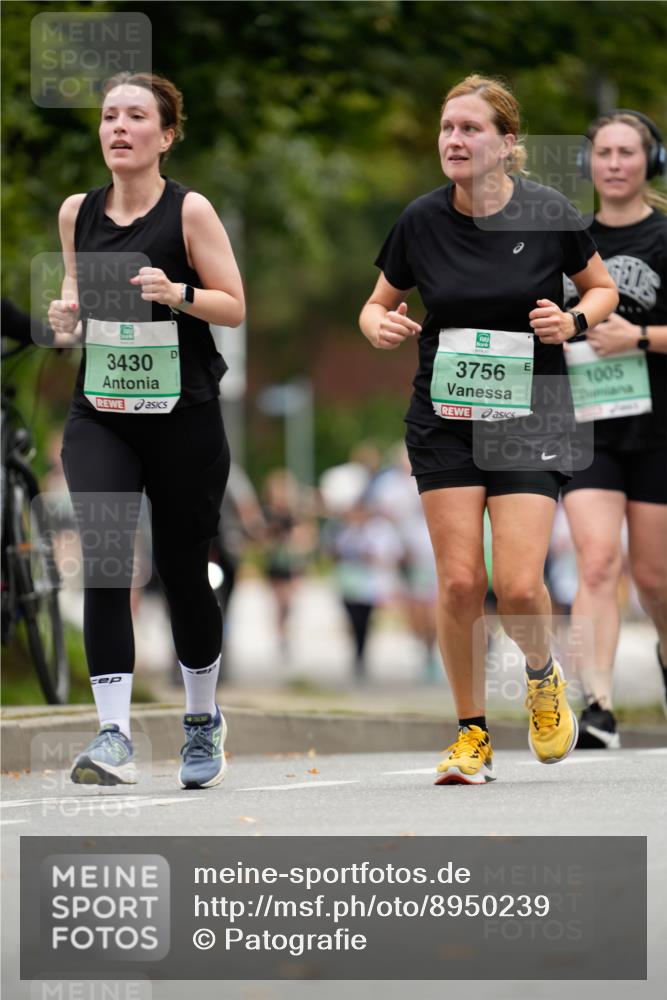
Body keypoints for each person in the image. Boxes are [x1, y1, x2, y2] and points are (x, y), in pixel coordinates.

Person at [359, 74, 618, 785]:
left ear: (507, 145)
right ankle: (470, 732)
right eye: (446, 129)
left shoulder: (548, 212)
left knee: (519, 585)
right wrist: (378, 324)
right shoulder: (419, 219)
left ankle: (541, 678)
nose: (453, 140)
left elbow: (601, 288)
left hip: (530, 411)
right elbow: (375, 303)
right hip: (445, 416)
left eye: (469, 129)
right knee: (457, 584)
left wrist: (571, 321)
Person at [47, 72, 245, 788]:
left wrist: (179, 292)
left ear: (165, 136)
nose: (119, 127)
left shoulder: (189, 211)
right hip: (102, 409)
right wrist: (66, 318)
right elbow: (77, 298)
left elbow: (233, 306)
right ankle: (113, 736)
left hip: (182, 417)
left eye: (136, 116)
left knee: (182, 570)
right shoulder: (78, 212)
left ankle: (201, 721)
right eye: (109, 116)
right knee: (105, 560)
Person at [562, 110, 667, 747]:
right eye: (605, 152)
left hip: (659, 428)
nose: (616, 163)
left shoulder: (665, 237)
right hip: (589, 423)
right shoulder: (569, 237)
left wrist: (641, 336)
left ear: (649, 163)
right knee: (598, 563)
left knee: (655, 578)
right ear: (589, 163)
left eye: (629, 152)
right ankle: (596, 704)